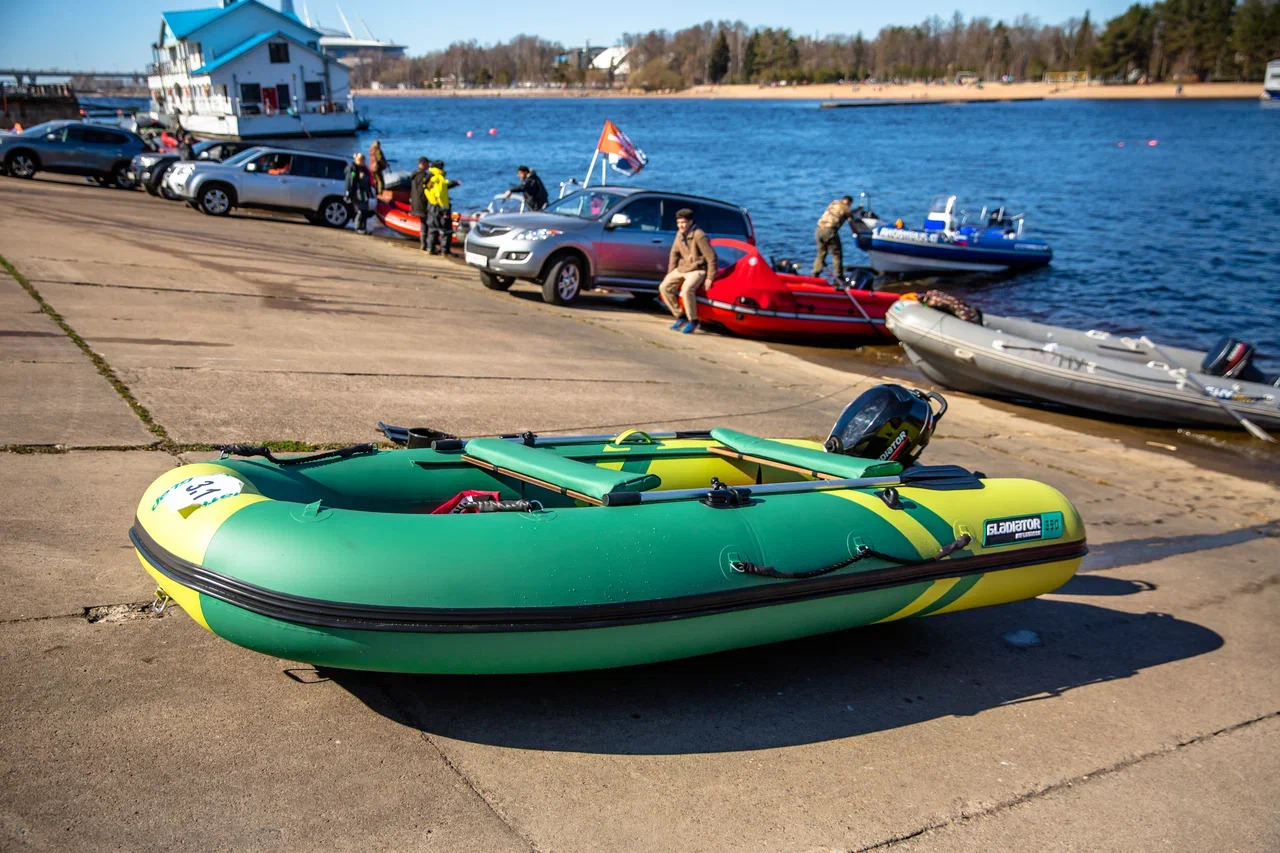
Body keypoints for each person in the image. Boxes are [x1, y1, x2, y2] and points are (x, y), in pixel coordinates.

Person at [658, 208, 717, 334]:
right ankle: (680, 316)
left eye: (683, 222)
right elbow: (674, 253)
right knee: (664, 287)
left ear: (690, 222)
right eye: (679, 222)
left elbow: (711, 257)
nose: (681, 225)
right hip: (683, 268)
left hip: (698, 269)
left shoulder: (699, 235)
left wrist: (710, 277)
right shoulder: (679, 234)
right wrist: (670, 272)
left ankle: (693, 320)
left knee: (687, 289)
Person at [812, 195, 859, 279]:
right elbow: (851, 222)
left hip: (819, 230)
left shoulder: (834, 203)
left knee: (821, 253)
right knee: (836, 254)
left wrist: (857, 209)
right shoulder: (846, 208)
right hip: (830, 231)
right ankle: (838, 278)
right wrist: (857, 234)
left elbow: (845, 212)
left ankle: (815, 274)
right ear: (849, 202)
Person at [424, 160, 460, 255]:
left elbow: (445, 184)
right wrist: (444, 209)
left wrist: (453, 183)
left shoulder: (429, 177)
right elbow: (439, 192)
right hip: (440, 205)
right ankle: (445, 250)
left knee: (432, 227)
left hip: (431, 204)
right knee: (446, 229)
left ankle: (430, 248)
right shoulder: (438, 178)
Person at [344, 152, 372, 234]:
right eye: (362, 161)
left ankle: (363, 227)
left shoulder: (364, 169)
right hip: (357, 193)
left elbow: (368, 182)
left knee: (365, 211)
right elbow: (350, 181)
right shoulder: (353, 169)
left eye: (364, 161)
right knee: (361, 210)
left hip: (364, 193)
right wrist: (348, 193)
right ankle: (358, 227)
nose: (363, 162)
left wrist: (369, 191)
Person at [409, 157, 431, 251]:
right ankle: (425, 244)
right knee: (425, 224)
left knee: (423, 224)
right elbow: (422, 192)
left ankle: (424, 244)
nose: (429, 165)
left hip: (416, 204)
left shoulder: (415, 175)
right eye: (427, 163)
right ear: (422, 164)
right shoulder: (422, 176)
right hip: (421, 204)